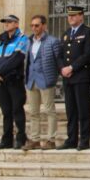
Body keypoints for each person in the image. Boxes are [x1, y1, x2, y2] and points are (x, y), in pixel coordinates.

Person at [57, 5, 90, 151]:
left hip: (80, 76)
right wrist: (62, 68)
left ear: (81, 16)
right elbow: (60, 55)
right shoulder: (66, 33)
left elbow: (87, 55)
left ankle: (84, 140)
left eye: (74, 15)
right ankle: (71, 138)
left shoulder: (88, 32)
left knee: (83, 109)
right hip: (67, 78)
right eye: (69, 16)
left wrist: (71, 67)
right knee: (71, 110)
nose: (71, 18)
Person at [23, 15, 61, 150]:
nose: (34, 28)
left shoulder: (52, 41)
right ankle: (35, 139)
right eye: (32, 25)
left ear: (44, 26)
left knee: (49, 110)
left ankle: (51, 139)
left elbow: (58, 61)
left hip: (46, 79)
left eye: (37, 25)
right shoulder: (28, 41)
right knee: (33, 112)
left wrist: (54, 77)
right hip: (31, 80)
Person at [0, 14, 29, 149]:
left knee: (17, 110)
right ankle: (6, 140)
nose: (6, 24)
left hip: (14, 80)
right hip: (2, 81)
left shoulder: (22, 39)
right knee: (6, 111)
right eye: (5, 22)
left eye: (9, 22)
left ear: (16, 24)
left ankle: (21, 138)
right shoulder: (1, 41)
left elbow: (16, 59)